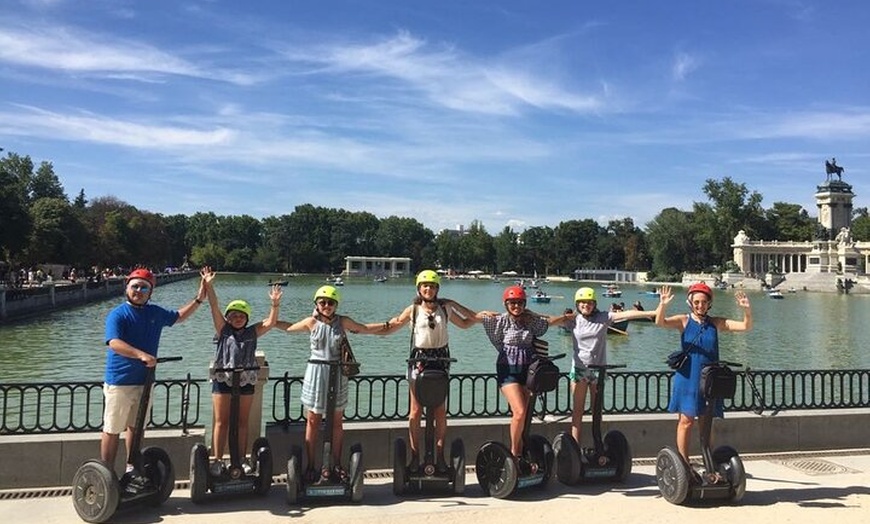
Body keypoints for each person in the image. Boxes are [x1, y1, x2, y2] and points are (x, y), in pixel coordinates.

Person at [101, 267, 207, 491]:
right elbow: (114, 343)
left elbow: (179, 317)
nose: (139, 290)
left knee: (136, 428)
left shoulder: (155, 313)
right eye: (135, 286)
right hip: (120, 381)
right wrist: (140, 354)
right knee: (112, 428)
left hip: (145, 381)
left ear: (151, 292)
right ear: (127, 288)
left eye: (144, 287)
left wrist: (199, 299)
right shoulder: (118, 314)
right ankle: (106, 474)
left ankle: (132, 468)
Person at [275, 285, 389, 482]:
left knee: (337, 422)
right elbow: (288, 328)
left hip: (337, 373)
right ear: (317, 305)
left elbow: (363, 328)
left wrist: (388, 325)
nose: (327, 306)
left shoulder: (342, 322)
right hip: (316, 373)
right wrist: (272, 314)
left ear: (336, 305)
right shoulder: (311, 322)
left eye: (331, 303)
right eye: (323, 302)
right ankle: (311, 465)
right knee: (313, 420)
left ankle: (336, 464)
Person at [382, 269, 481, 472]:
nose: (429, 289)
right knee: (415, 411)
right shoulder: (413, 310)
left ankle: (440, 456)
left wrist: (483, 318)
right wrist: (370, 330)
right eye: (425, 285)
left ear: (437, 289)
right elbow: (394, 324)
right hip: (418, 361)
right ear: (419, 288)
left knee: (439, 410)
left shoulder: (445, 309)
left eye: (433, 286)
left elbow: (464, 323)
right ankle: (415, 455)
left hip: (440, 360)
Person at [654, 283, 752, 462]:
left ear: (709, 304)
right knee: (686, 422)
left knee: (707, 424)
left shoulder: (715, 323)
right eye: (697, 302)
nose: (700, 305)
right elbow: (660, 322)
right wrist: (663, 305)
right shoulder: (684, 321)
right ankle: (683, 464)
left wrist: (746, 310)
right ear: (691, 302)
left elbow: (745, 326)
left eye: (704, 302)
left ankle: (708, 462)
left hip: (709, 380)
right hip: (687, 377)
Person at [478, 285, 572, 469]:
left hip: (528, 371)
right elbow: (471, 319)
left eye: (520, 303)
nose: (516, 306)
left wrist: (569, 317)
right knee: (519, 411)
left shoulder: (530, 321)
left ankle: (522, 451)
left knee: (525, 415)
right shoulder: (499, 321)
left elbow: (550, 322)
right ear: (506, 304)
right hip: (508, 371)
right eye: (512, 303)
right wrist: (451, 305)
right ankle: (514, 454)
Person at [202, 267, 282, 476]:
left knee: (242, 421)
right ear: (228, 318)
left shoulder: (252, 332)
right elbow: (214, 306)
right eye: (234, 315)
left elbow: (271, 322)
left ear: (246, 318)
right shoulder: (223, 330)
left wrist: (275, 304)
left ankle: (242, 458)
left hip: (246, 379)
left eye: (241, 316)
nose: (238, 318)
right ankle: (218, 460)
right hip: (223, 378)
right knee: (222, 421)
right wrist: (209, 286)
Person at [562, 287, 655, 449]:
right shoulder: (573, 320)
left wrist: (653, 311)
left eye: (589, 302)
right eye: (583, 302)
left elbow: (626, 314)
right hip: (579, 369)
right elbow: (549, 321)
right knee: (577, 412)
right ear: (577, 304)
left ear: (594, 304)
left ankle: (597, 446)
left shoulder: (604, 317)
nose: (586, 305)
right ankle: (575, 449)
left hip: (598, 370)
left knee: (597, 412)